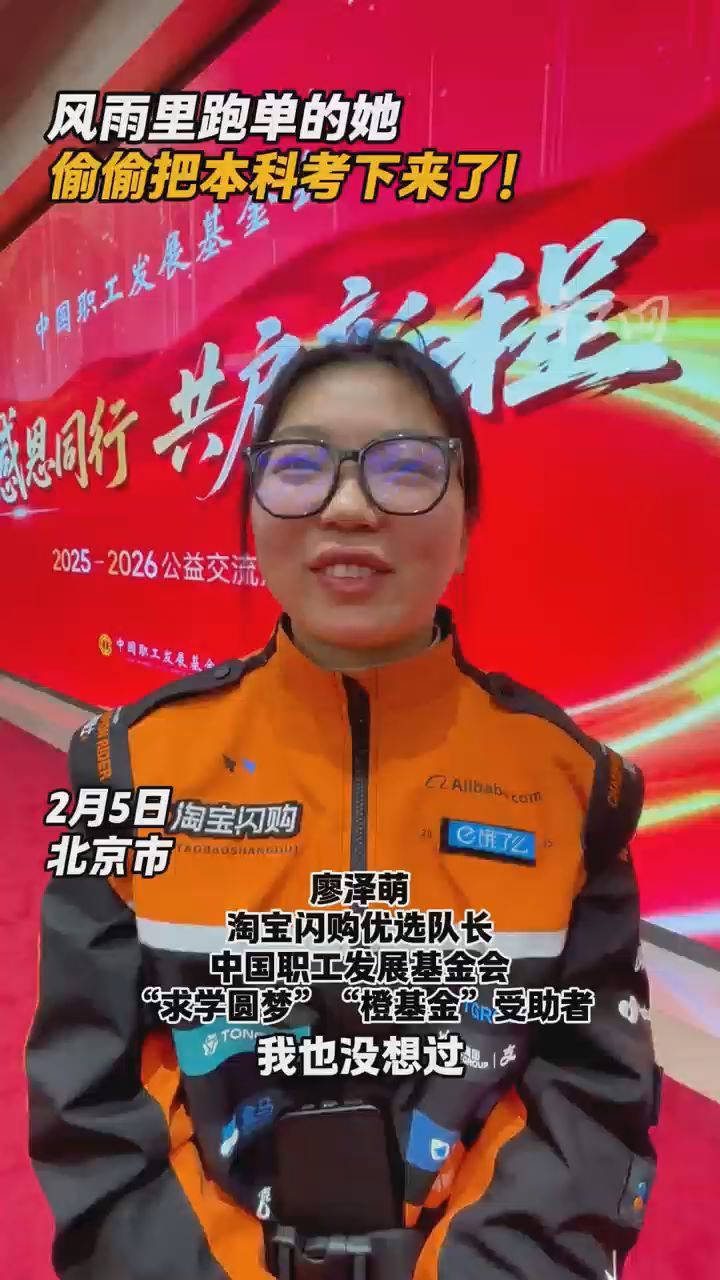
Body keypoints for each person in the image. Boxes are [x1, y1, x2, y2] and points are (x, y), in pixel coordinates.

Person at [26, 331, 661, 1280]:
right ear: (251, 510)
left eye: (406, 469)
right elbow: (91, 1095)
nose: (351, 506)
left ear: (467, 522)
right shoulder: (121, 768)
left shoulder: (577, 786)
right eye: (300, 466)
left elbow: (589, 1090)